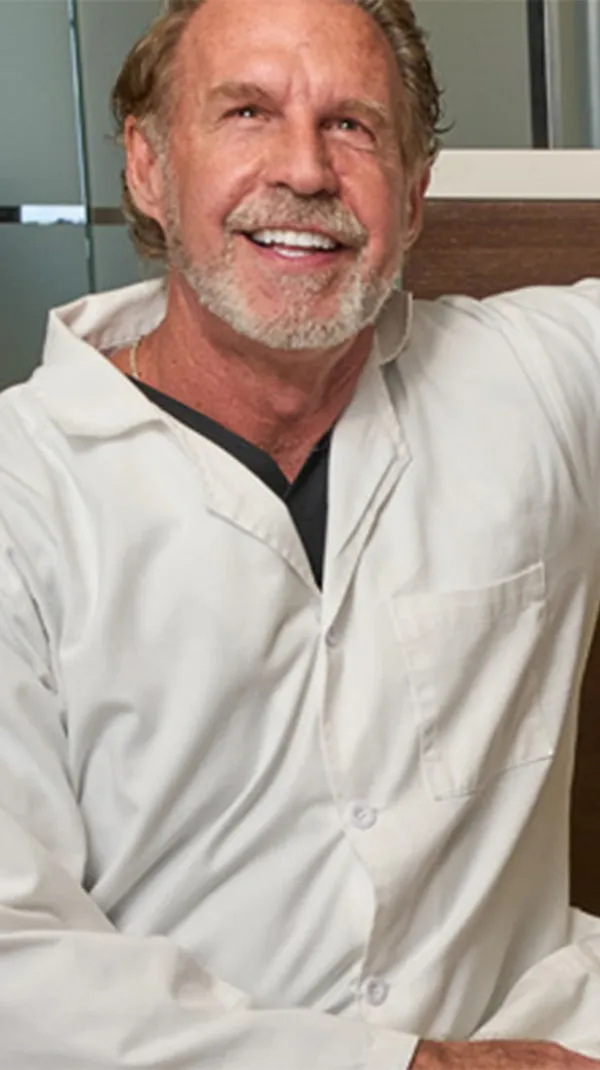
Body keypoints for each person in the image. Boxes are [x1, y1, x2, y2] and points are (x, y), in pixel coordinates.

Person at [1, 0, 599, 1066]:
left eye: (354, 126)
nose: (307, 171)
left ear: (413, 197)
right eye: (246, 112)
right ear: (147, 165)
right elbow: (15, 962)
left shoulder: (537, 384)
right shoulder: (22, 490)